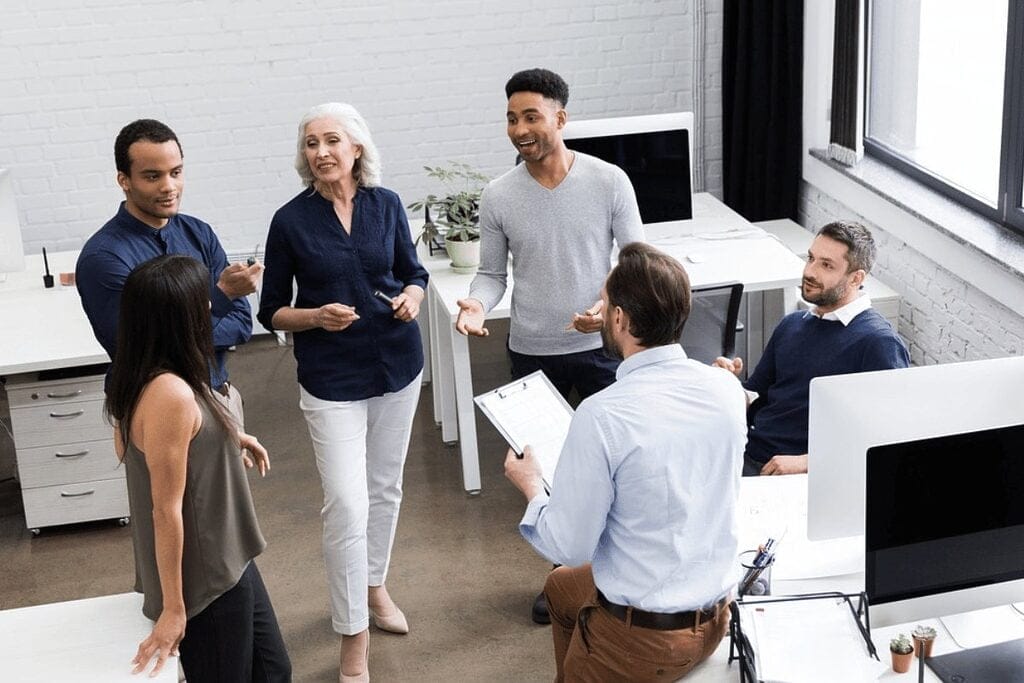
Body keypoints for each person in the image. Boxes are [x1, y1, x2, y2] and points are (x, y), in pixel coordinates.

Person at [505, 242, 747, 681]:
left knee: (567, 567)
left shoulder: (602, 414)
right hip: (715, 614)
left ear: (619, 318)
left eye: (605, 302)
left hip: (644, 641)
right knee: (561, 588)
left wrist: (532, 486)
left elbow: (569, 546)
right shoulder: (726, 388)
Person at [455, 67, 644, 623]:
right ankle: (562, 578)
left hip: (602, 351)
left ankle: (615, 576)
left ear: (561, 118)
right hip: (532, 353)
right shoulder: (498, 195)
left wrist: (606, 304)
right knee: (550, 474)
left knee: (612, 468)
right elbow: (491, 275)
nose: (519, 129)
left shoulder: (609, 181)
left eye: (531, 116)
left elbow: (635, 259)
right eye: (512, 118)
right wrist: (475, 303)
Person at [257, 102, 427, 683]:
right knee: (347, 505)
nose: (321, 151)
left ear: (357, 147)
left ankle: (374, 586)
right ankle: (352, 639)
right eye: (310, 143)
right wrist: (313, 317)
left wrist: (413, 296)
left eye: (332, 140)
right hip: (332, 380)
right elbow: (270, 310)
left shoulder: (387, 205)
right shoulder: (290, 221)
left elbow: (414, 271)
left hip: (398, 367)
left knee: (385, 490)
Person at [105, 254, 290, 682]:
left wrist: (229, 439)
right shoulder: (168, 393)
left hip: (230, 553)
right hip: (206, 574)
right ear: (178, 317)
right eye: (200, 302)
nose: (209, 307)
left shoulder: (150, 374)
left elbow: (168, 441)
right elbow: (164, 510)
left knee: (273, 670)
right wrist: (173, 608)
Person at [77, 118, 261, 409]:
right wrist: (220, 297)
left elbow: (241, 325)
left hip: (219, 395)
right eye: (152, 177)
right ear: (124, 180)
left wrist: (177, 335)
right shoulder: (104, 258)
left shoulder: (199, 233)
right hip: (153, 408)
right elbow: (140, 351)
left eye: (176, 172)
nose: (169, 186)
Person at [714, 220, 910, 476]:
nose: (810, 271)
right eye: (811, 258)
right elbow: (754, 394)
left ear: (856, 278)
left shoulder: (878, 343)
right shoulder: (793, 324)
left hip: (798, 474)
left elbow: (889, 438)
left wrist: (808, 462)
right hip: (746, 452)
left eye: (826, 265)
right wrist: (723, 385)